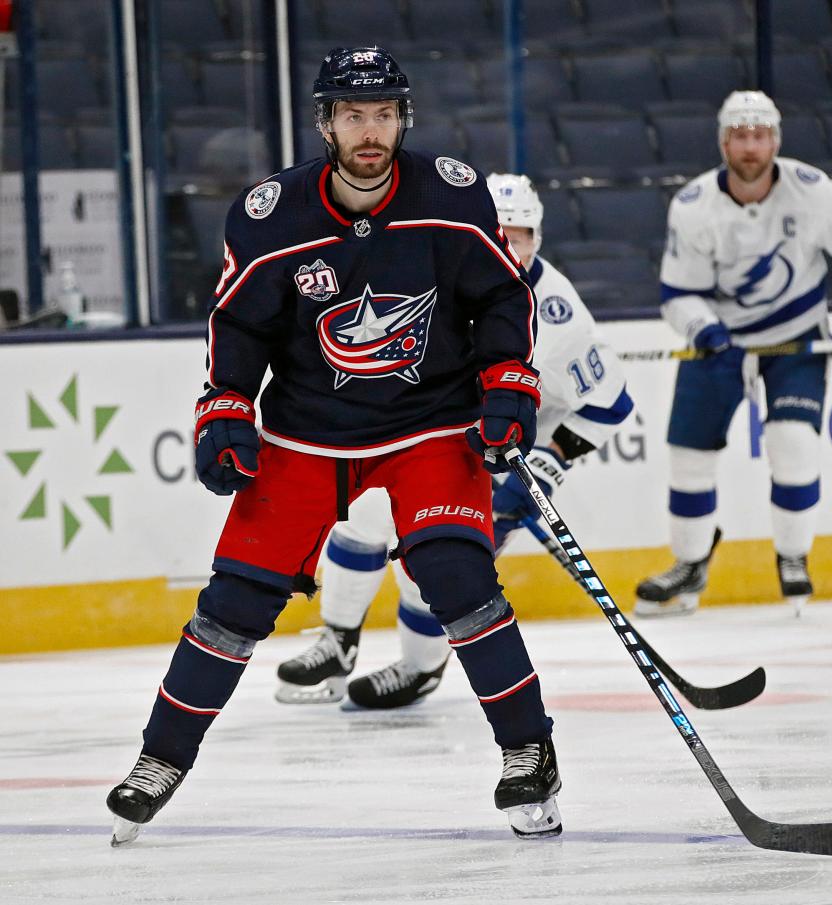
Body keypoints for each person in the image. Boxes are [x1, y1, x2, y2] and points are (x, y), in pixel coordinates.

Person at [106, 47, 563, 844]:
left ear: (402, 119)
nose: (370, 131)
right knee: (236, 599)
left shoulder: (453, 198)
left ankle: (529, 750)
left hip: (428, 421)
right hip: (308, 430)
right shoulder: (269, 214)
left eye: (384, 113)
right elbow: (240, 325)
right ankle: (161, 757)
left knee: (457, 576)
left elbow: (500, 297)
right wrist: (224, 408)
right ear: (325, 123)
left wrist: (510, 383)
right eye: (353, 115)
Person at [274, 172, 634, 710]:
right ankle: (340, 640)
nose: (508, 245)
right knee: (360, 514)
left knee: (434, 565)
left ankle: (421, 668)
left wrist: (547, 465)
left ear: (538, 238)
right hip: (441, 434)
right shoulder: (441, 267)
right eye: (498, 230)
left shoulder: (559, 319)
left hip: (509, 454)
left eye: (521, 234)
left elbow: (610, 404)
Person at [633, 90, 832, 617]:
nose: (750, 147)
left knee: (792, 442)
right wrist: (705, 331)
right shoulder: (693, 206)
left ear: (775, 139)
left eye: (760, 135)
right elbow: (678, 293)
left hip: (797, 339)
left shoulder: (812, 192)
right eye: (739, 135)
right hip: (721, 342)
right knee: (689, 458)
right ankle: (689, 562)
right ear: (723, 142)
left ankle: (793, 557)